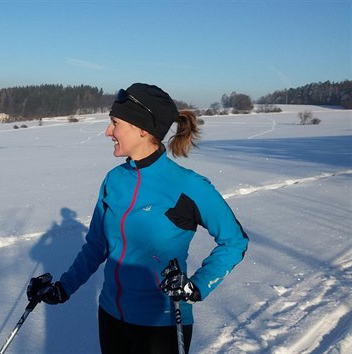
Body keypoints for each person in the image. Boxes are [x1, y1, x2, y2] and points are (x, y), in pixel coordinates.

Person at [26, 83, 249, 353]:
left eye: (115, 123)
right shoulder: (114, 180)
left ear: (143, 128)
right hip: (110, 317)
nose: (109, 131)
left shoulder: (188, 186)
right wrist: (63, 288)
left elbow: (234, 241)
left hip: (161, 325)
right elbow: (97, 246)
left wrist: (197, 287)